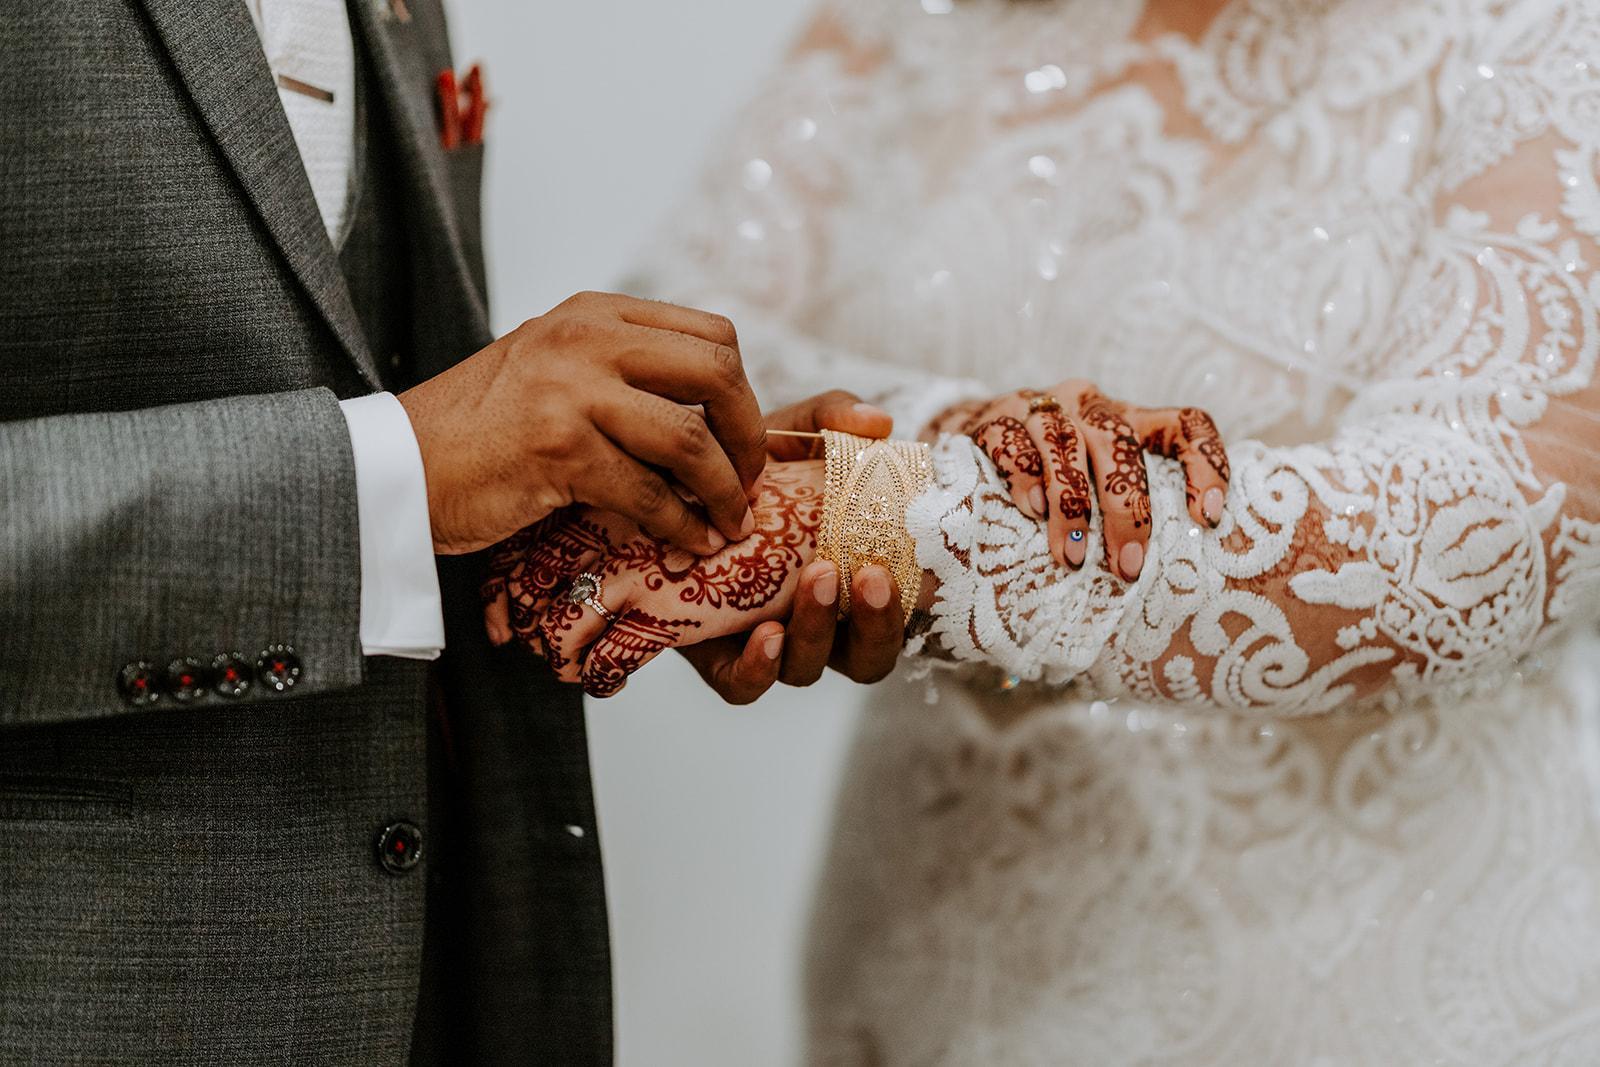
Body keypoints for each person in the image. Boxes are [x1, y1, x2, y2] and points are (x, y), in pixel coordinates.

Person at [499, 0, 1600, 1061]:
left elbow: (1494, 521)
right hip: (939, 941)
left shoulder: (1536, 32)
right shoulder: (918, 17)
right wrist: (955, 431)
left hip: (1364, 961)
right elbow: (682, 338)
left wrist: (882, 517)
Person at [0, 0, 905, 1061]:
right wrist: (404, 470)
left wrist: (675, 518)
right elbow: (414, 460)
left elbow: (412, 415)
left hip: (442, 976)